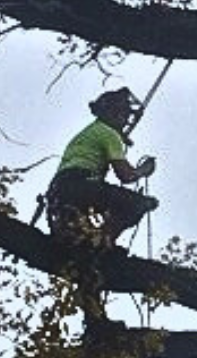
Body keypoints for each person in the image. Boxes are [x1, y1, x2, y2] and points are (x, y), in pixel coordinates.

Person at [46, 87, 158, 249]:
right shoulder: (108, 134)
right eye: (124, 115)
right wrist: (143, 170)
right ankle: (102, 243)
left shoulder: (92, 131)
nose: (126, 120)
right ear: (113, 113)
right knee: (138, 203)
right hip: (81, 185)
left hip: (60, 189)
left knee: (77, 229)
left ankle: (86, 242)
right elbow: (126, 176)